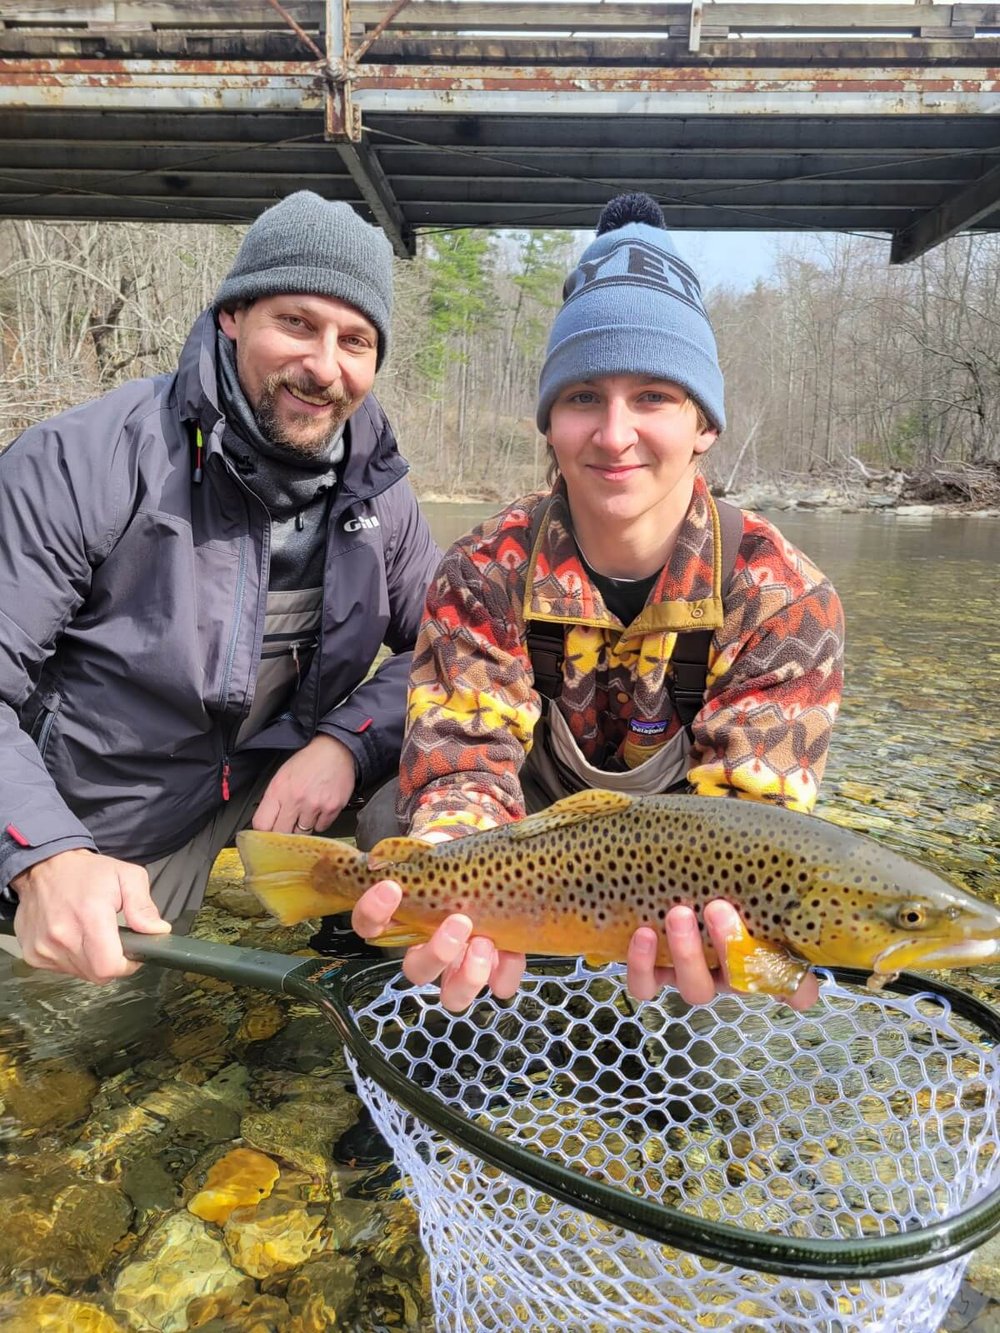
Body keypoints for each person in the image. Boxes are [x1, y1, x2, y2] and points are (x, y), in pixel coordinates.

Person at [351, 193, 845, 1012]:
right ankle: (465, 1020)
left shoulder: (784, 598)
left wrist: (730, 946)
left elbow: (753, 839)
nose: (615, 434)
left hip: (685, 868)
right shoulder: (482, 569)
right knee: (389, 826)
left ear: (704, 426)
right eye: (584, 397)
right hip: (526, 837)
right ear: (550, 422)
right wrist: (457, 873)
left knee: (696, 1038)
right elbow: (464, 765)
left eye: (653, 396)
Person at [0, 190, 440, 985]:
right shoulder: (79, 462)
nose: (323, 366)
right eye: (296, 324)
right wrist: (42, 853)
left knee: (439, 784)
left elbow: (450, 655)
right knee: (79, 1042)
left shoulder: (382, 493)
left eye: (355, 340)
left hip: (270, 779)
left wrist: (346, 741)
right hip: (108, 825)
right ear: (233, 315)